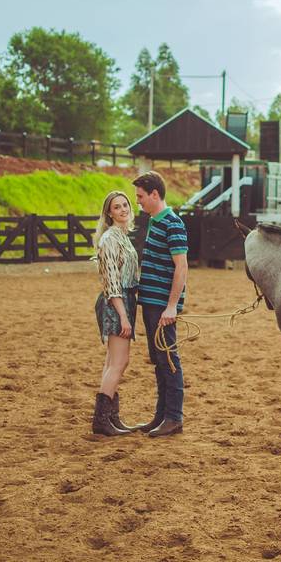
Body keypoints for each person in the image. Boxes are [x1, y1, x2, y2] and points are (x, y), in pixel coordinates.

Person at [132, 171, 188, 437]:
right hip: (152, 302)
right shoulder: (155, 221)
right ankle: (161, 415)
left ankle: (174, 417)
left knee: (168, 359)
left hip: (162, 305)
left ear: (155, 194)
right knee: (159, 360)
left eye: (141, 197)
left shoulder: (173, 223)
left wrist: (172, 306)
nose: (138, 202)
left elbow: (182, 266)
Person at [92, 190, 141, 436]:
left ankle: (111, 417)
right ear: (109, 213)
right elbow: (112, 283)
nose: (122, 209)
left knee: (112, 361)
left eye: (125, 205)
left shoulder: (123, 236)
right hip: (116, 302)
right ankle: (101, 420)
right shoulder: (110, 238)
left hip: (124, 300)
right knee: (120, 362)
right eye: (117, 207)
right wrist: (123, 315)